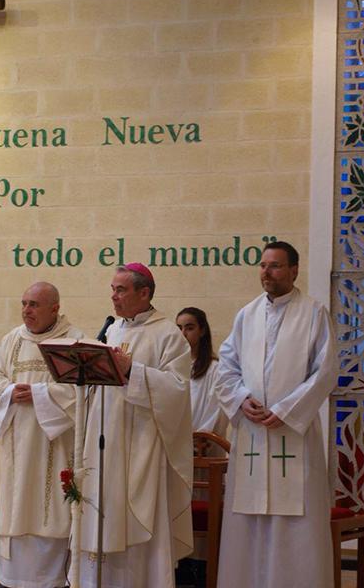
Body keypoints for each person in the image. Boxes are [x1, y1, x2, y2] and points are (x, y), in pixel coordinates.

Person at [215, 241, 338, 588]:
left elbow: (325, 371)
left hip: (293, 433)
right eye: (263, 265)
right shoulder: (247, 314)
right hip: (253, 433)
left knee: (294, 522)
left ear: (294, 270)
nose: (266, 272)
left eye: (275, 266)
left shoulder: (314, 313)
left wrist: (286, 410)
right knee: (248, 521)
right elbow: (226, 368)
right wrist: (241, 399)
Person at [78, 263, 193, 588]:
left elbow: (178, 390)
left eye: (121, 290)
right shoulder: (113, 330)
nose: (113, 296)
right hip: (104, 440)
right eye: (112, 289)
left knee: (136, 519)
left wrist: (132, 371)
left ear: (144, 293)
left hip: (141, 446)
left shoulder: (168, 334)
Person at [0, 281, 85, 588]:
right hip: (18, 441)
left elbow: (81, 389)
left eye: (34, 305)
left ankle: (49, 581)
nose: (27, 310)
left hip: (54, 444)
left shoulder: (74, 340)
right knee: (17, 505)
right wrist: (11, 390)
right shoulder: (13, 339)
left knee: (49, 506)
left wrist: (40, 394)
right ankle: (13, 581)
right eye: (24, 303)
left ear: (55, 308)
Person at [176, 307, 228, 437]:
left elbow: (217, 410)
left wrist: (200, 438)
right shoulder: (172, 367)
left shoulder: (214, 369)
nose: (183, 334)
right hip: (176, 443)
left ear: (202, 331)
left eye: (189, 328)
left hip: (202, 446)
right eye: (179, 328)